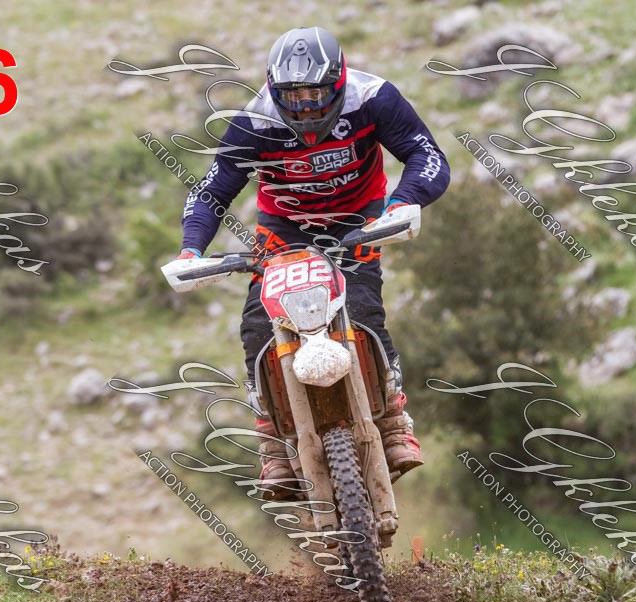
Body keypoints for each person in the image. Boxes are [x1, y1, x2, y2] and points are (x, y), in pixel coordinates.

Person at [175, 26, 450, 490]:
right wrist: (190, 249)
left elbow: (427, 155)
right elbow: (212, 190)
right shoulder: (254, 121)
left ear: (339, 81)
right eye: (293, 96)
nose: (305, 107)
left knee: (362, 309)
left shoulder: (373, 98)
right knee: (258, 325)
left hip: (358, 221)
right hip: (285, 229)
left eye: (316, 95)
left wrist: (404, 203)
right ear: (273, 90)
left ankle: (393, 422)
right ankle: (272, 440)